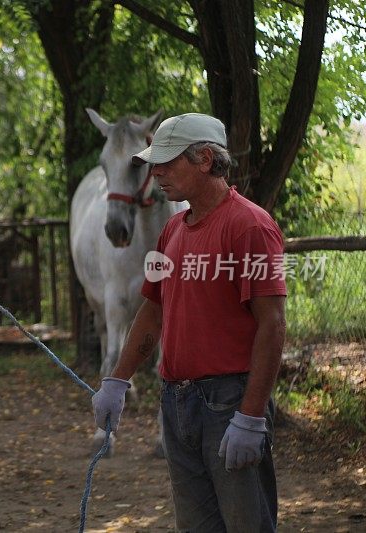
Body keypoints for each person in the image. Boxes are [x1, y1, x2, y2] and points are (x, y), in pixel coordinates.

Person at [91, 113, 287, 532]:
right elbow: (153, 309)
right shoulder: (172, 231)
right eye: (154, 162)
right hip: (176, 403)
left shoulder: (250, 226)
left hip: (230, 403)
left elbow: (272, 325)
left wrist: (251, 415)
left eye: (167, 161)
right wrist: (118, 380)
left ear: (203, 159)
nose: (156, 172)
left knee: (246, 524)